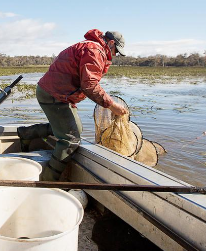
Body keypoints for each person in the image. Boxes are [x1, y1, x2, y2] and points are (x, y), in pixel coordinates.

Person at [17, 29, 128, 181]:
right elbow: (89, 85)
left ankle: (26, 133)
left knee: (76, 129)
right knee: (70, 140)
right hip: (54, 95)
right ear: (111, 43)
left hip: (57, 93)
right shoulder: (94, 50)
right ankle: (48, 182)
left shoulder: (92, 46)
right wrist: (112, 105)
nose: (115, 55)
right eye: (116, 51)